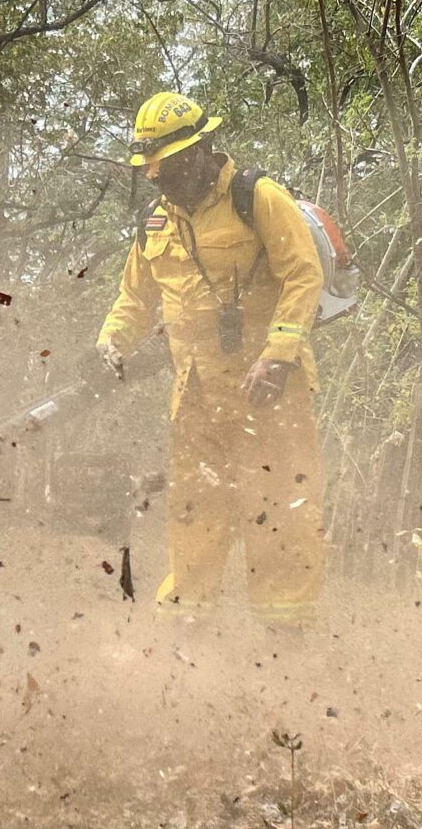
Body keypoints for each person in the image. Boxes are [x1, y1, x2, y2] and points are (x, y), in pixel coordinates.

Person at [97, 91, 325, 630]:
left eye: (168, 166)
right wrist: (110, 343)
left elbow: (304, 274)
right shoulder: (155, 222)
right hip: (196, 399)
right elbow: (134, 300)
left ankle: (287, 643)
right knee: (193, 517)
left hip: (268, 392)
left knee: (279, 518)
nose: (159, 180)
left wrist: (279, 355)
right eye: (151, 170)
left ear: (202, 150)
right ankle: (184, 639)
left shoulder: (257, 197)